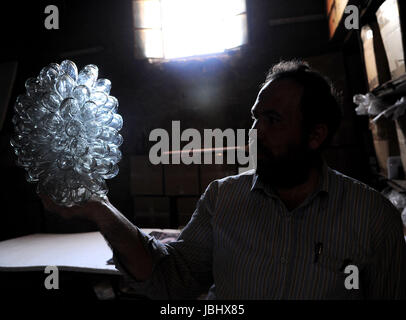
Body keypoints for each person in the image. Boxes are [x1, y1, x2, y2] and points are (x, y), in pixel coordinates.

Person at [41, 60, 406, 299]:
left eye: (274, 120)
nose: (255, 132)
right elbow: (171, 278)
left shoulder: (373, 219)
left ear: (315, 135)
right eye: (255, 118)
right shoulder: (223, 199)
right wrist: (101, 211)